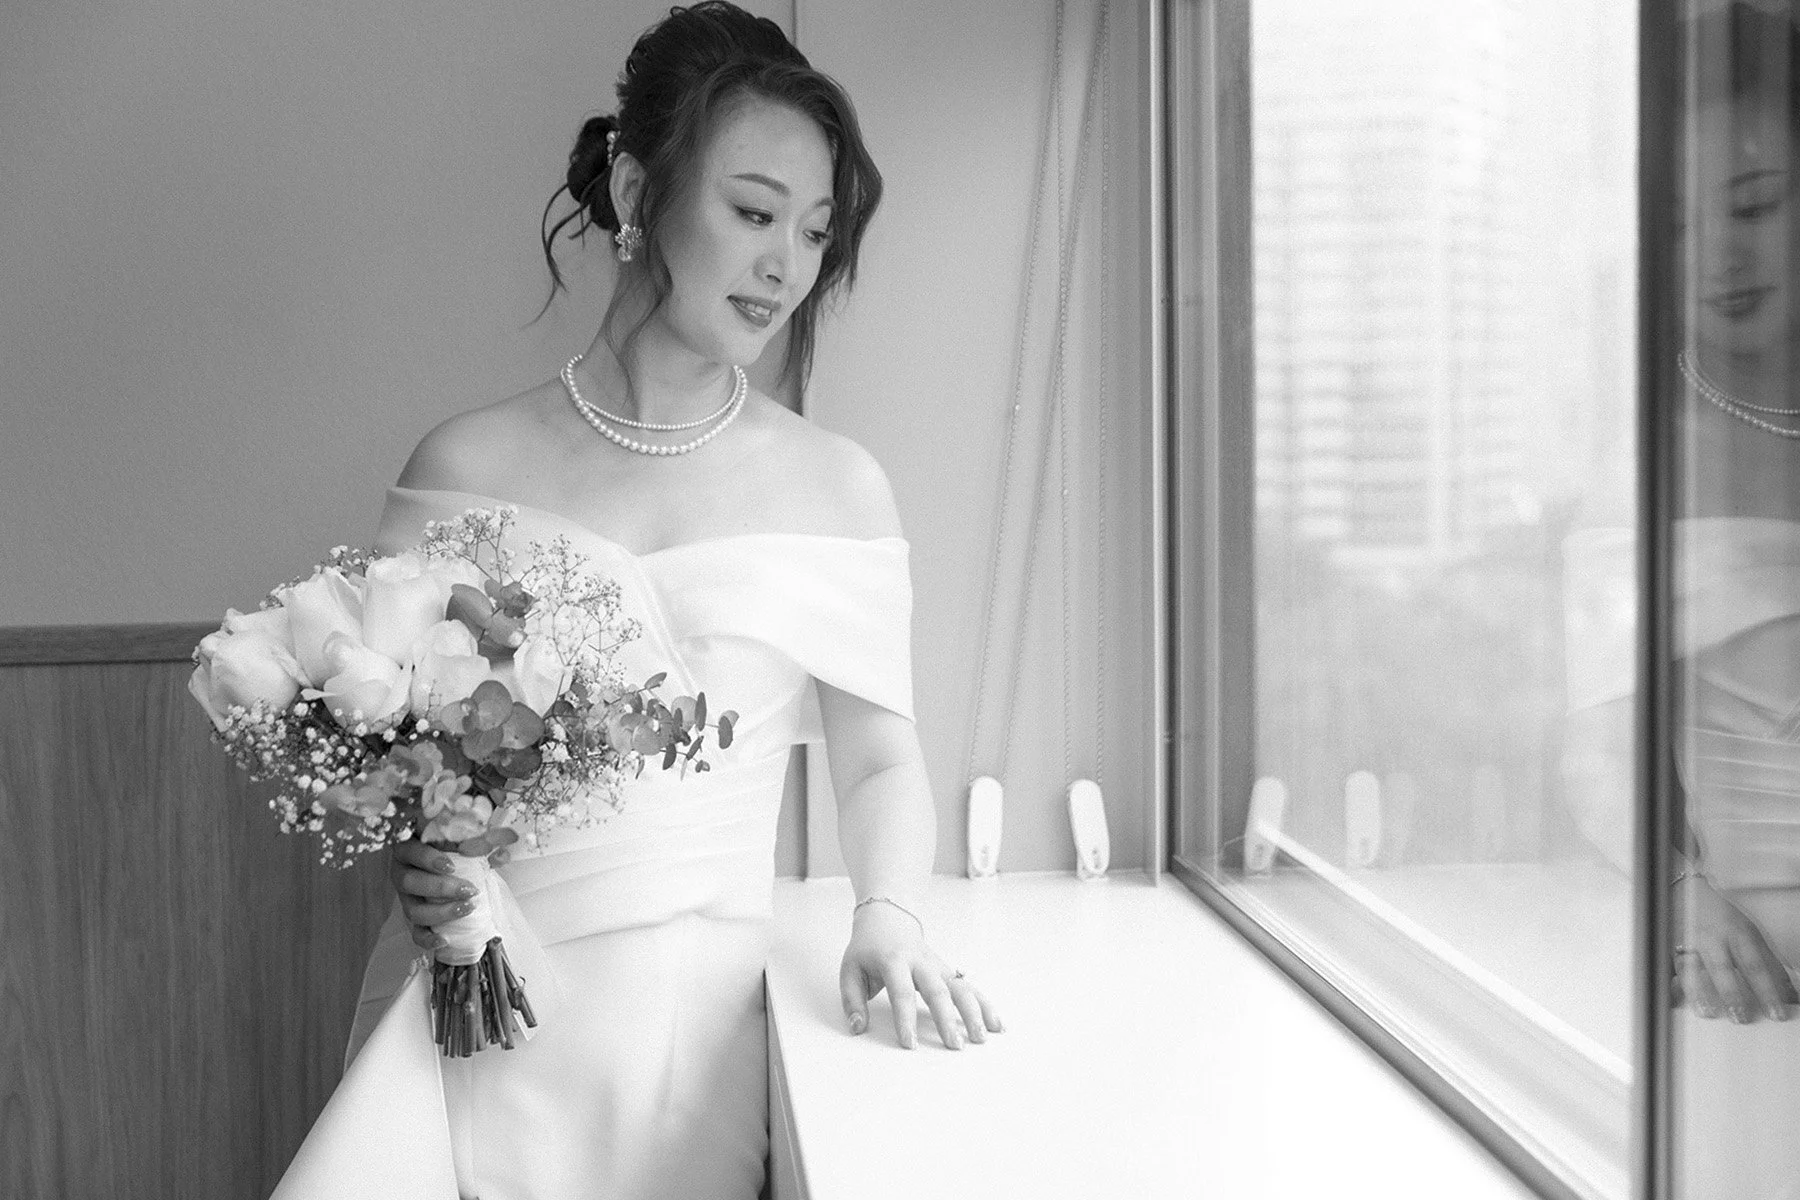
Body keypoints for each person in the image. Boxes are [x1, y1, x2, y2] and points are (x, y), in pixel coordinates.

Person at [271, 5, 1001, 1197]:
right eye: (753, 212)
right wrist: (414, 860)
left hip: (689, 1051)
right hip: (482, 1017)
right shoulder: (463, 465)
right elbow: (394, 751)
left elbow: (879, 763)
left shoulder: (836, 486)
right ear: (632, 188)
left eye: (816, 232)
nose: (787, 266)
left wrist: (891, 916)